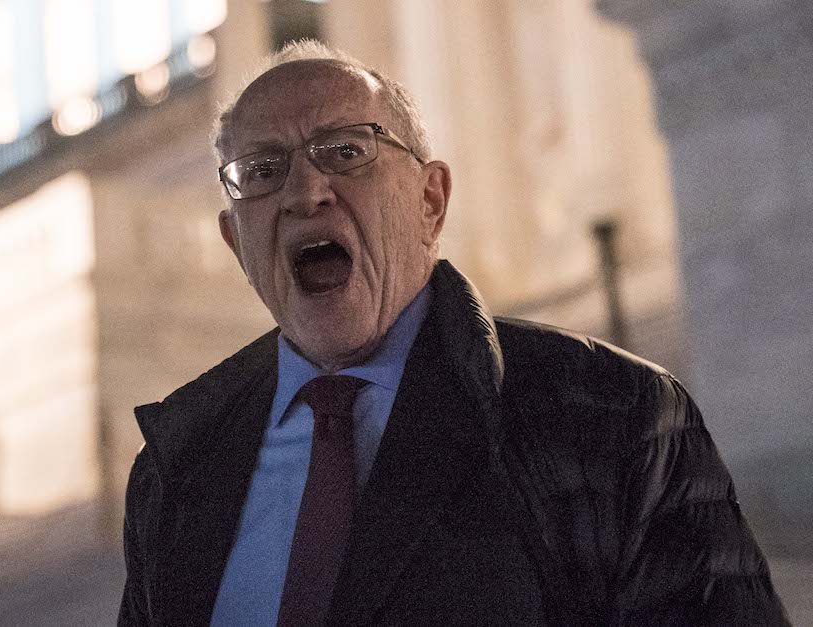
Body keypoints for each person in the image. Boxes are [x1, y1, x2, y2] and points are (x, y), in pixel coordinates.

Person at [118, 40, 790, 626]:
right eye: (263, 171)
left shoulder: (619, 417)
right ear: (237, 242)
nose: (305, 191)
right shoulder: (173, 474)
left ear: (429, 202)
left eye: (347, 150)